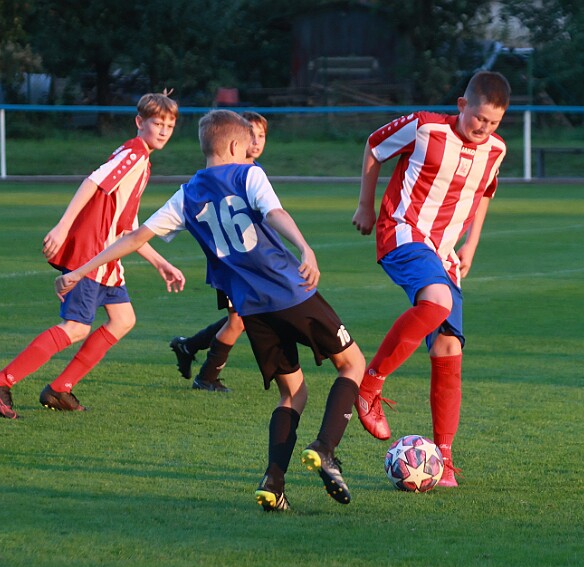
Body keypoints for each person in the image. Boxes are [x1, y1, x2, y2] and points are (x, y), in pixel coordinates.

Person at [55, 110, 365, 511]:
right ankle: (324, 448)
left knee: (294, 392)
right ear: (237, 146)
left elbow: (134, 237)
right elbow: (274, 213)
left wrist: (80, 271)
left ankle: (274, 482)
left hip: (252, 310)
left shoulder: (186, 194)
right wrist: (305, 246)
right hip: (292, 291)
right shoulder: (249, 175)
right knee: (353, 363)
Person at [0, 92, 185, 419]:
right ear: (139, 122)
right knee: (75, 327)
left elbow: (127, 226)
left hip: (108, 258)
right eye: (157, 123)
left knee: (123, 319)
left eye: (169, 125)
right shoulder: (133, 154)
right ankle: (0, 381)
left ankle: (60, 389)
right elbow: (92, 182)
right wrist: (62, 226)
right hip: (92, 255)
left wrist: (161, 262)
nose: (162, 131)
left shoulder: (142, 160)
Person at [350, 71, 510, 488]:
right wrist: (366, 205)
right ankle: (369, 385)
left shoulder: (496, 150)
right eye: (478, 118)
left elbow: (484, 194)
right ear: (462, 105)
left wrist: (471, 245)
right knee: (436, 301)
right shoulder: (425, 127)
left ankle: (444, 459)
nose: (483, 128)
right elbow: (373, 146)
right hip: (402, 230)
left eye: (493, 122)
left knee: (448, 346)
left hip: (444, 253)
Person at [168, 111, 268, 392]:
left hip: (249, 264)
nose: (257, 141)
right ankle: (207, 377)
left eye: (262, 136)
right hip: (231, 264)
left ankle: (188, 347)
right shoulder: (225, 175)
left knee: (241, 318)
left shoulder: (254, 172)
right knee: (239, 320)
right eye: (252, 135)